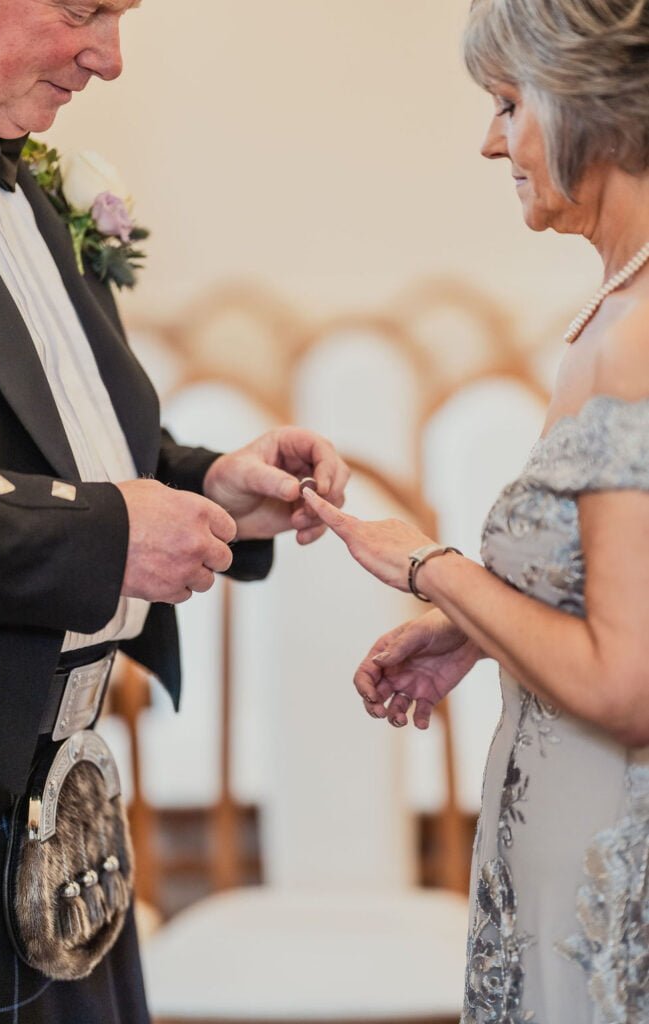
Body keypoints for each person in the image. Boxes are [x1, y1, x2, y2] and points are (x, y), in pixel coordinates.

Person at [0, 1, 349, 1020]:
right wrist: (107, 537)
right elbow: (81, 509)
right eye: (83, 10)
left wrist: (208, 485)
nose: (111, 57)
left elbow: (66, 448)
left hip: (64, 796)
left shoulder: (29, 180)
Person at [303, 0, 649, 1020]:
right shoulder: (614, 307)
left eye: (508, 102)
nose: (489, 137)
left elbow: (628, 682)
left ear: (591, 99)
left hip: (608, 880)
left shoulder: (636, 337)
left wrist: (429, 566)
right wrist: (478, 630)